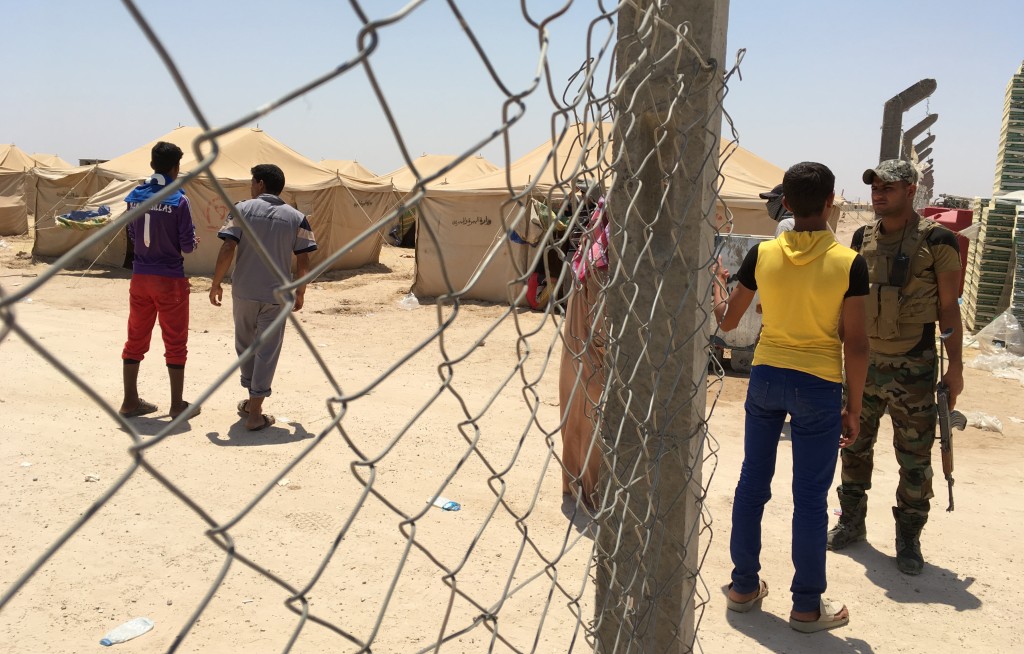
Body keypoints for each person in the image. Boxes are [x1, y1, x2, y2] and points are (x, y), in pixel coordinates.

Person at [712, 161, 868, 632]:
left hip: (765, 377)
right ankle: (805, 606)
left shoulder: (761, 256)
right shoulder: (848, 262)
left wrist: (720, 284)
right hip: (818, 383)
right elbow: (856, 343)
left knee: (752, 483)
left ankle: (743, 586)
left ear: (785, 203)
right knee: (810, 498)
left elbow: (727, 321)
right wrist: (854, 408)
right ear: (830, 202)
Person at [826, 159, 964, 576]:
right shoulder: (858, 237)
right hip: (865, 366)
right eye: (875, 186)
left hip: (915, 367)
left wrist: (955, 368)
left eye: (889, 186)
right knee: (852, 448)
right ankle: (851, 521)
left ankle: (909, 538)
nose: (878, 193)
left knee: (915, 460)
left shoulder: (939, 240)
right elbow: (847, 303)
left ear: (910, 190)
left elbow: (948, 308)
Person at [209, 164, 317, 431]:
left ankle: (251, 401)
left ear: (259, 184)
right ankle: (255, 409)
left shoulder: (241, 209)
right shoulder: (297, 217)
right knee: (267, 351)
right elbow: (303, 257)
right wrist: (300, 290)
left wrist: (216, 283)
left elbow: (227, 246)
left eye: (251, 181)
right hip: (276, 296)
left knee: (244, 346)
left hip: (244, 291)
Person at [119, 141, 200, 419]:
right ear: (176, 168)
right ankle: (177, 405)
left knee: (135, 338)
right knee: (175, 341)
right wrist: (192, 242)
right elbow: (187, 246)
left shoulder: (134, 196)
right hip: (169, 279)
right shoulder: (179, 199)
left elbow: (131, 235)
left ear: (152, 165)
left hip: (140, 276)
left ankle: (130, 400)